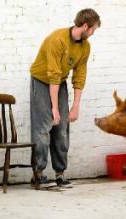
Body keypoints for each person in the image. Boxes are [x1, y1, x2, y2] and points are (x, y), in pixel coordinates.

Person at [29, 8, 101, 189]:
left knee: (62, 128)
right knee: (44, 127)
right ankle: (38, 175)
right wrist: (54, 108)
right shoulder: (57, 40)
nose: (93, 33)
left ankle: (60, 174)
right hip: (42, 81)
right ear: (85, 26)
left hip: (59, 83)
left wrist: (75, 106)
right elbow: (52, 75)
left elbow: (79, 76)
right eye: (93, 29)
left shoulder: (85, 46)